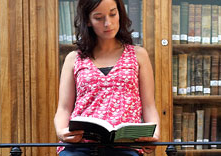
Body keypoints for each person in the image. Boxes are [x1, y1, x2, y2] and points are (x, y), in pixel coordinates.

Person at [53, 0, 159, 155]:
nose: (108, 23)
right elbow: (63, 108)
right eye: (99, 18)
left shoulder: (138, 55)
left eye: (112, 14)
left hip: (125, 146)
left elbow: (149, 106)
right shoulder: (73, 59)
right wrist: (61, 132)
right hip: (80, 145)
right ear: (88, 21)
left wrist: (154, 135)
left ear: (120, 14)